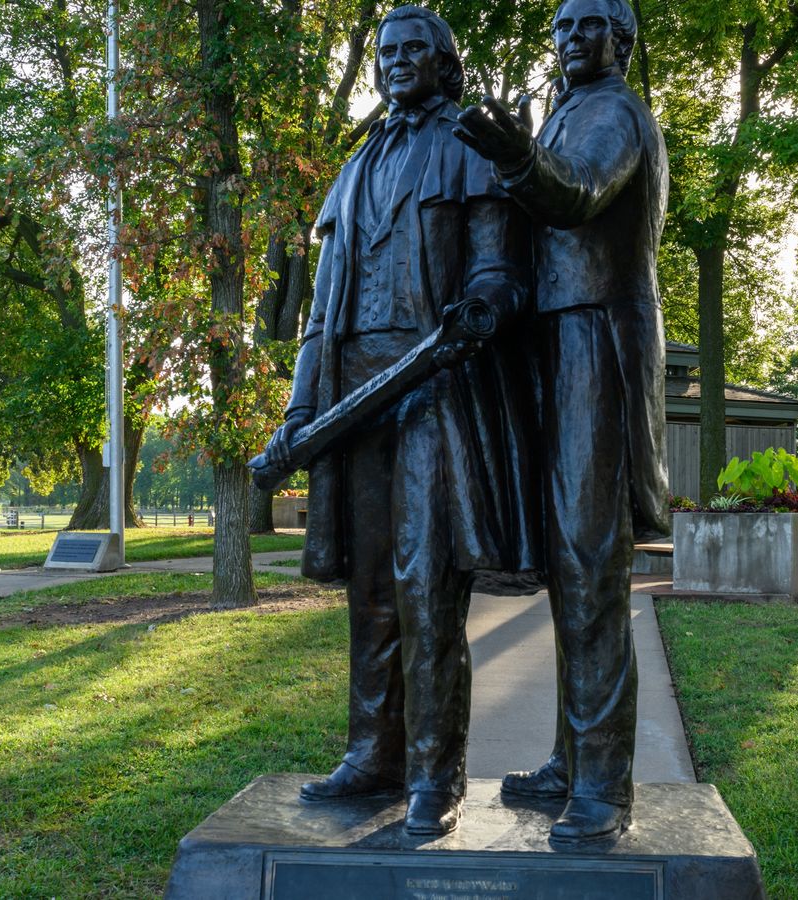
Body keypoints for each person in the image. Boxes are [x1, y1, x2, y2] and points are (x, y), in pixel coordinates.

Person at [260, 4, 540, 837]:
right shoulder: (352, 170)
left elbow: (503, 270)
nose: (397, 61)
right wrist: (302, 405)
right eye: (387, 51)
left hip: (435, 388)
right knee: (372, 589)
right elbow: (318, 313)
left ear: (447, 66)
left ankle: (432, 773)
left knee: (427, 586)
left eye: (416, 49)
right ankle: (372, 754)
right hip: (351, 394)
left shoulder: (469, 151)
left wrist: (481, 308)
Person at [453, 0, 670, 845]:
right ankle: (571, 759)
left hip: (597, 339)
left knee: (590, 567)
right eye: (560, 26)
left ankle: (604, 788)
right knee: (567, 567)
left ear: (621, 37)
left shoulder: (616, 110)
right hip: (557, 338)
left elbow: (575, 196)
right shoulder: (573, 108)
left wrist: (514, 156)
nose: (568, 39)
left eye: (587, 25)